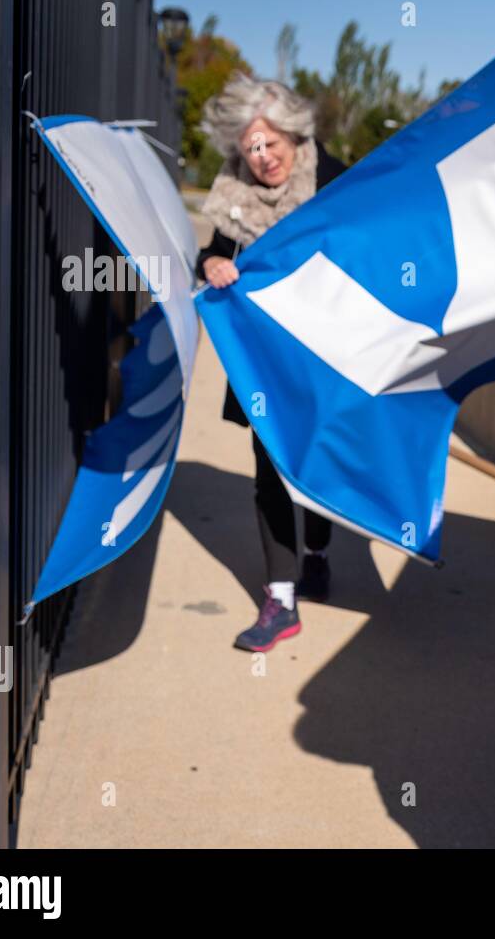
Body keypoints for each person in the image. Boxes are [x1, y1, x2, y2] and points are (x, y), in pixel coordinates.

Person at [196, 71, 347, 652]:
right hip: (261, 359)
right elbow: (212, 251)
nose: (263, 158)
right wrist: (210, 265)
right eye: (251, 148)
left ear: (292, 135)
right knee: (269, 465)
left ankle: (317, 555)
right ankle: (280, 601)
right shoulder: (232, 195)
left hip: (321, 351)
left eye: (271, 144)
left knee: (314, 460)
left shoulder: (331, 178)